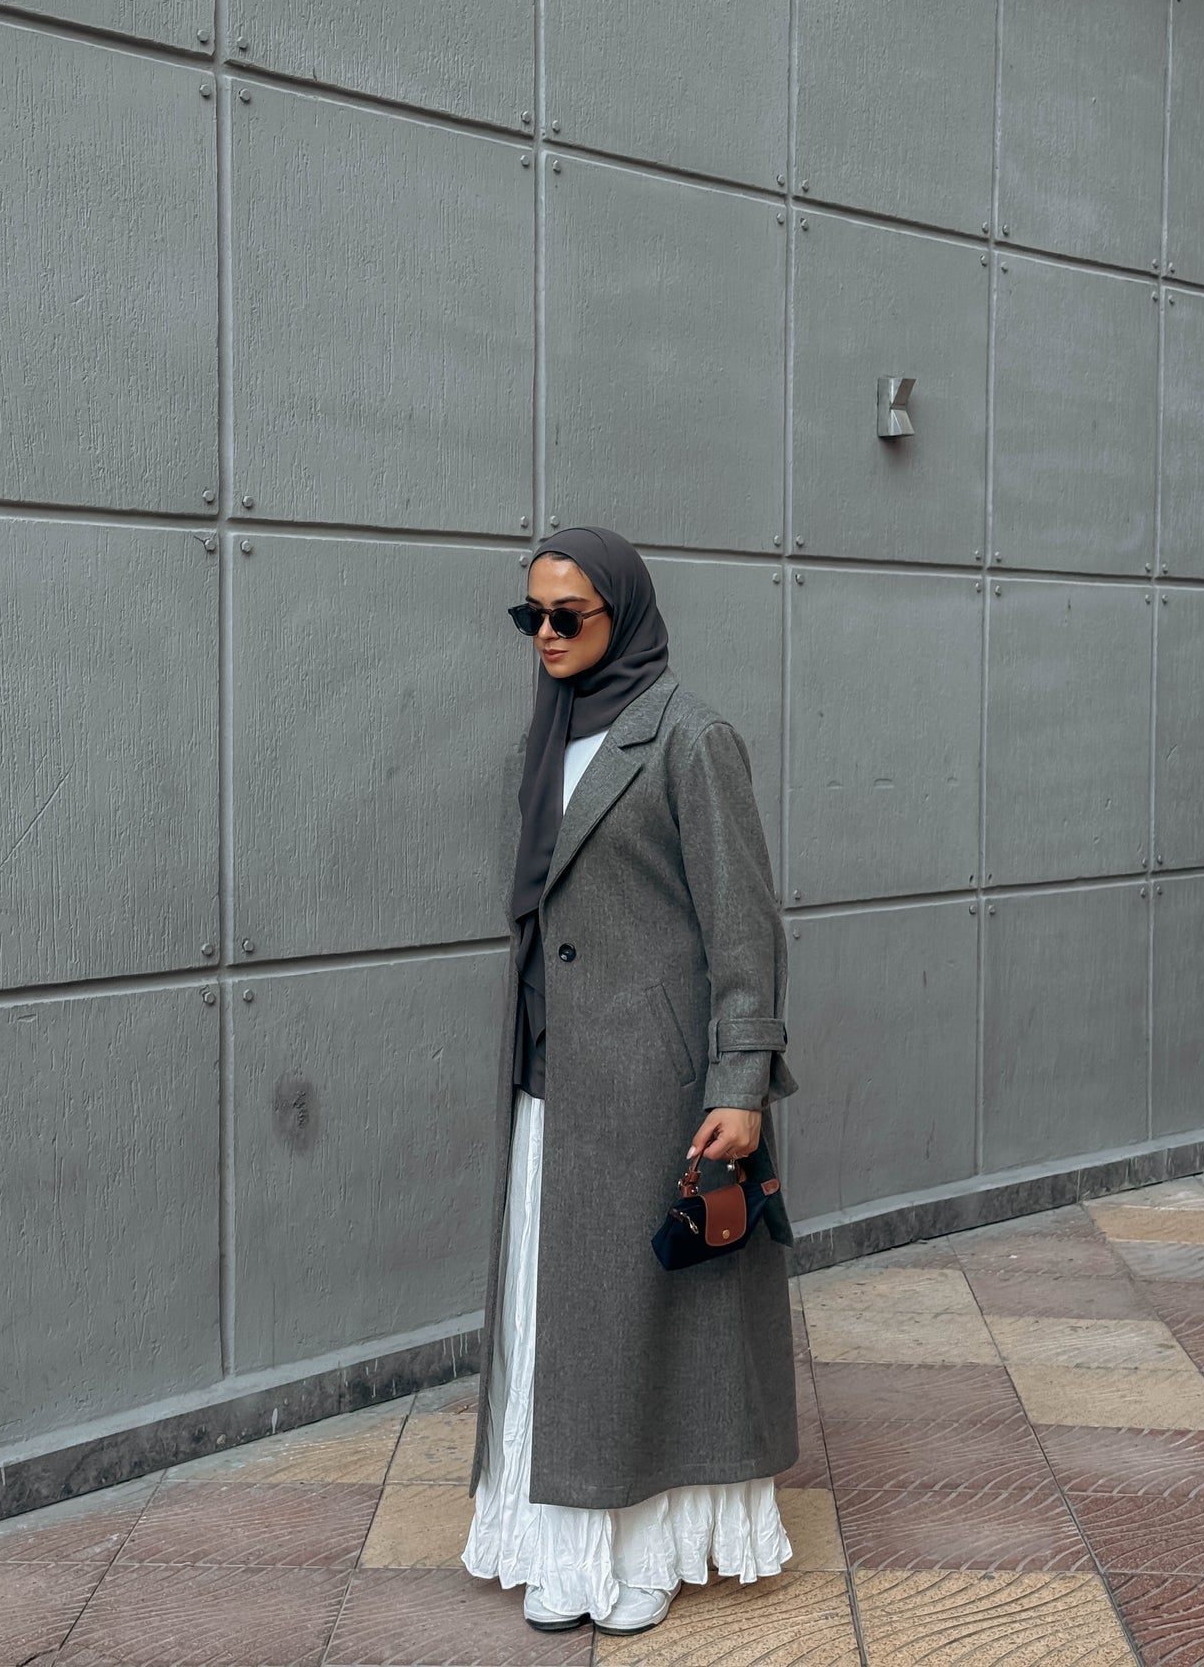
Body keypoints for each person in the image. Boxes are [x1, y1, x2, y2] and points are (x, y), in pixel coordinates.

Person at [462, 525, 800, 1637]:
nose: (546, 635)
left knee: (647, 1323)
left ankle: (641, 1548)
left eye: (568, 616)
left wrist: (739, 1082)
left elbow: (744, 929)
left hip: (655, 1084)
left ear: (625, 615)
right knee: (563, 1318)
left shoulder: (690, 737)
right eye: (531, 616)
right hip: (553, 1075)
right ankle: (560, 1545)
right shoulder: (545, 737)